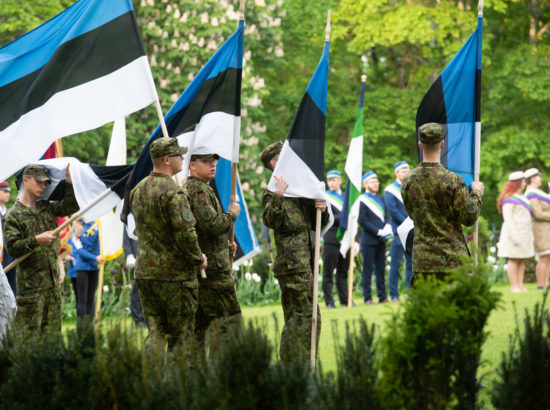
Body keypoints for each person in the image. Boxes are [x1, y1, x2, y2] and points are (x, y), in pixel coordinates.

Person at [130, 138, 206, 352]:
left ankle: (148, 378)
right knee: (181, 337)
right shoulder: (174, 192)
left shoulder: (138, 189)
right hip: (175, 276)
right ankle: (176, 383)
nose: (182, 158)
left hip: (146, 272)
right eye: (178, 155)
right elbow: (186, 233)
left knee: (155, 333)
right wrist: (198, 258)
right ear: (166, 159)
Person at [260, 141, 329, 362]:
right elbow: (271, 220)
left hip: (304, 262)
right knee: (304, 316)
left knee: (303, 316)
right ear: (274, 162)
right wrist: (279, 196)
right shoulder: (272, 192)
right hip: (291, 265)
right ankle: (295, 364)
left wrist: (321, 207)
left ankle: (302, 364)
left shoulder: (300, 189)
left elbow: (315, 223)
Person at [402, 123, 484, 282]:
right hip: (451, 260)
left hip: (422, 262)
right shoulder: (453, 180)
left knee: (426, 307)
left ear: (420, 145)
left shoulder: (408, 181)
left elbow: (411, 213)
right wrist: (476, 193)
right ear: (442, 144)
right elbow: (469, 217)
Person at [4, 164, 78, 333]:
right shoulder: (13, 215)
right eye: (39, 182)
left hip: (52, 288)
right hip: (31, 291)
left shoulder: (47, 207)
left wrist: (69, 183)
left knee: (52, 341)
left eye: (45, 183)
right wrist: (36, 240)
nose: (43, 186)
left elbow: (70, 207)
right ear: (26, 180)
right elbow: (13, 248)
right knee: (29, 342)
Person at [185, 153, 242, 355]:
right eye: (207, 161)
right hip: (213, 272)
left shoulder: (198, 188)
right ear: (192, 165)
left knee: (200, 326)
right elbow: (211, 225)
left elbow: (201, 232)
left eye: (214, 161)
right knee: (228, 322)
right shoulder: (198, 190)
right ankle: (223, 371)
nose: (213, 164)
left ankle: (198, 375)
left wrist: (224, 247)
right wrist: (232, 214)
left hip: (206, 266)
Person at [497, 171, 534, 292]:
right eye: (523, 181)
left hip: (524, 234)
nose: (524, 183)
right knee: (513, 259)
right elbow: (508, 219)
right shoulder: (509, 199)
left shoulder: (523, 198)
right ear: (517, 183)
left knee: (522, 259)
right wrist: (514, 236)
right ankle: (514, 286)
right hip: (513, 234)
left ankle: (520, 285)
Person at [359, 171, 392, 305]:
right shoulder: (362, 199)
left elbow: (387, 217)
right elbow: (362, 220)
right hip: (369, 240)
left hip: (381, 239)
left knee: (381, 269)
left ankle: (382, 296)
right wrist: (378, 231)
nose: (376, 184)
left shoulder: (381, 198)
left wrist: (388, 227)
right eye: (373, 181)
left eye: (377, 181)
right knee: (367, 269)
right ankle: (367, 298)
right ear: (365, 184)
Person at [384, 161, 413, 302]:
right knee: (395, 266)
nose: (406, 172)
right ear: (397, 173)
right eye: (403, 170)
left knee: (411, 265)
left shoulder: (412, 188)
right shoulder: (390, 190)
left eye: (407, 170)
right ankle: (394, 295)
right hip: (398, 233)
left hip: (411, 233)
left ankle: (410, 293)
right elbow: (393, 211)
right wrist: (409, 223)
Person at [322, 170, 350, 308]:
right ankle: (329, 302)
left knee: (343, 272)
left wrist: (355, 239)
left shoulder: (347, 197)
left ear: (340, 181)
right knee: (328, 272)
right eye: (329, 180)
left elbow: (353, 220)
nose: (331, 182)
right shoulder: (325, 197)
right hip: (331, 238)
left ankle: (345, 300)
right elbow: (327, 218)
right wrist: (345, 218)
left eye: (334, 180)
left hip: (346, 238)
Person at [72, 219, 103, 322]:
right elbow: (79, 250)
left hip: (94, 266)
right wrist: (95, 257)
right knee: (82, 299)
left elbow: (100, 244)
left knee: (91, 298)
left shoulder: (97, 225)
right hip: (82, 267)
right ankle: (81, 326)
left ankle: (89, 326)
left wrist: (102, 256)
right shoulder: (76, 227)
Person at [525, 168, 550, 290]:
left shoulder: (538, 192)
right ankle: (541, 285)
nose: (541, 179)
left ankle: (545, 284)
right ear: (533, 178)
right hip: (540, 228)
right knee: (544, 256)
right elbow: (538, 213)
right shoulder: (531, 193)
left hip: (546, 228)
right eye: (539, 176)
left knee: (548, 257)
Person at [122, 229, 146, 327]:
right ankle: (139, 320)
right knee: (137, 291)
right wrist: (129, 254)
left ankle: (148, 319)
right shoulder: (129, 215)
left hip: (148, 258)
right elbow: (126, 239)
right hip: (135, 259)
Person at [0, 181, 16, 296]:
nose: (8, 194)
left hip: (10, 255)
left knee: (11, 290)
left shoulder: (10, 212)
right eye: (4, 191)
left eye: (8, 192)